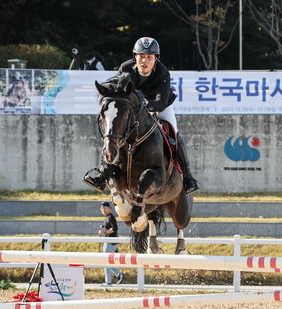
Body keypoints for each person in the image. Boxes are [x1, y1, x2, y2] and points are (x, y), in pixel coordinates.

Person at [84, 36, 199, 194]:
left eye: (149, 57)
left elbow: (160, 102)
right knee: (113, 131)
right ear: (135, 57)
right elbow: (115, 84)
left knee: (175, 133)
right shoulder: (126, 68)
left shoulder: (162, 72)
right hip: (133, 108)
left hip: (158, 106)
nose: (145, 61)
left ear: (156, 59)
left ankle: (187, 176)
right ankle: (102, 175)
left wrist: (143, 103)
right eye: (141, 57)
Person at [98, 202, 123, 285]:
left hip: (110, 243)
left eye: (104, 207)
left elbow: (114, 228)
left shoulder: (111, 217)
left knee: (106, 262)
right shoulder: (107, 218)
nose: (103, 209)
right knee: (107, 262)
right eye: (102, 208)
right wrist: (103, 231)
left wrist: (104, 231)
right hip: (109, 242)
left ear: (109, 208)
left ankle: (109, 281)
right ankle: (118, 275)